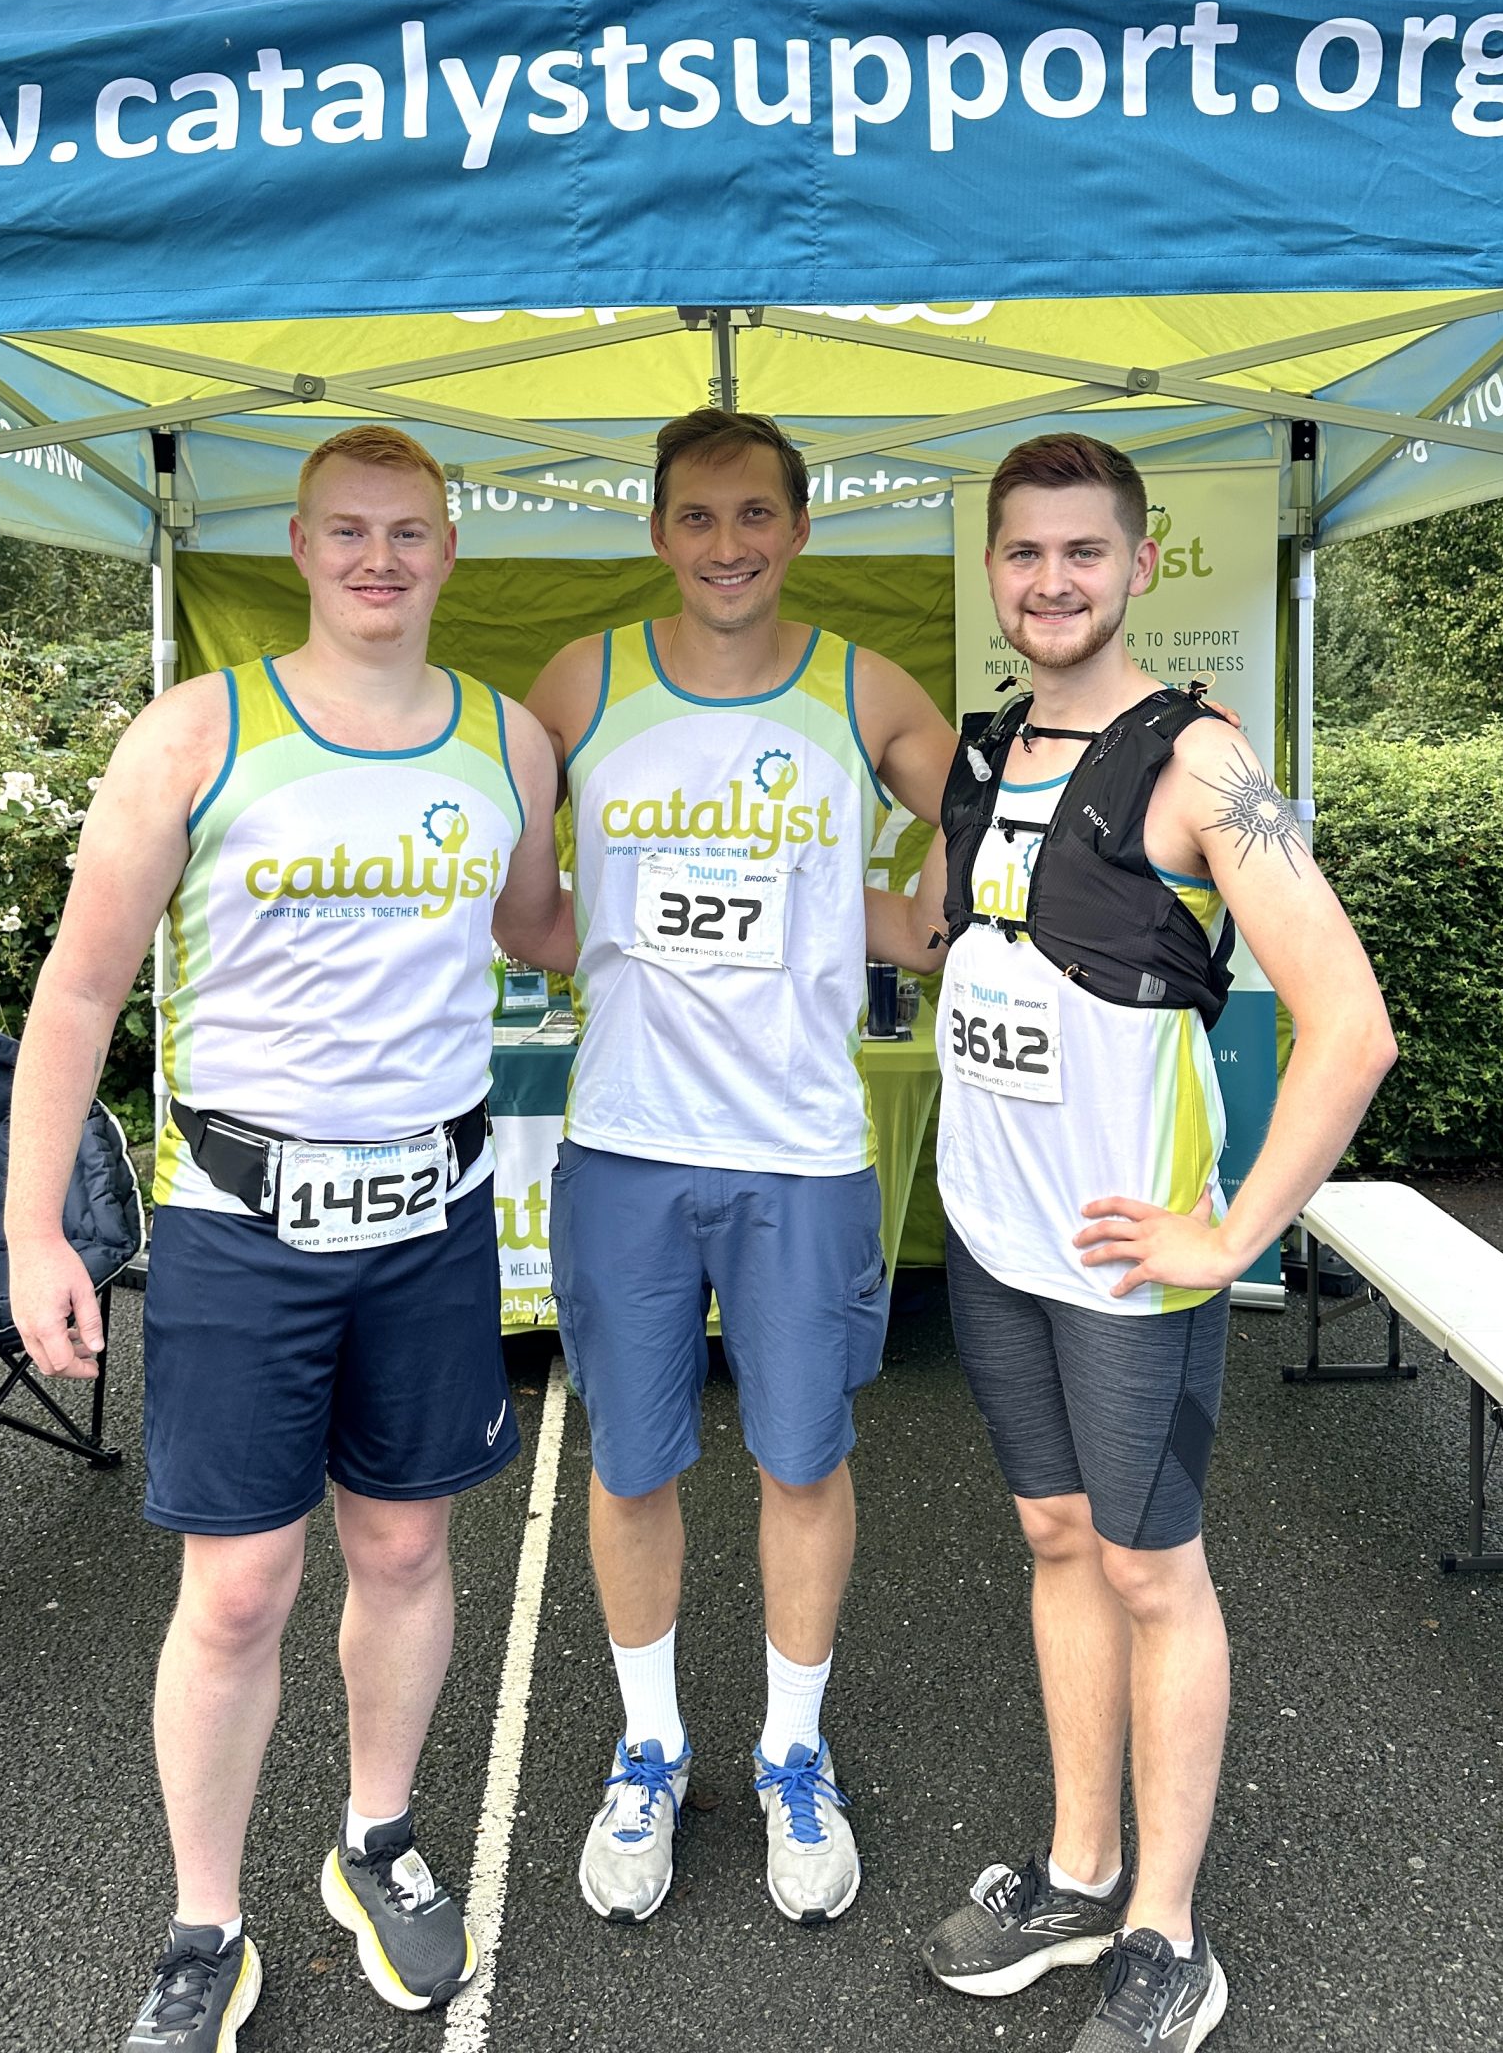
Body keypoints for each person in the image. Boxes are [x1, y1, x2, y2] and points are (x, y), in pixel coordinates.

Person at [5, 423, 564, 2051]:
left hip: (431, 1217)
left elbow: (536, 926)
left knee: (404, 1550)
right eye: (349, 530)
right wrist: (34, 1227)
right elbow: (79, 990)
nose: (381, 557)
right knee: (240, 1589)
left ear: (449, 550)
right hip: (242, 1227)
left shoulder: (510, 742)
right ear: (304, 547)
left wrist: (749, 918)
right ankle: (205, 1924)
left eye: (410, 530)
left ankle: (375, 1841)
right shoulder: (196, 733)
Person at [870, 432, 1396, 2053]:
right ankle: (1080, 1873)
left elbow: (1352, 1025)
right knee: (1055, 1538)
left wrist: (1232, 1233)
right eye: (1024, 553)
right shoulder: (983, 756)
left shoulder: (1203, 763)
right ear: (993, 570)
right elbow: (948, 937)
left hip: (1124, 1262)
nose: (1052, 581)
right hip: (996, 1240)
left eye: (1083, 551)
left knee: (1152, 1568)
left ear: (1141, 564)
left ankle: (1167, 1933)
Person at [520, 408, 956, 1928]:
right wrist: (598, 931)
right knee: (631, 1464)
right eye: (698, 518)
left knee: (803, 1461)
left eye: (756, 514)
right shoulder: (583, 682)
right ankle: (649, 1747)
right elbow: (515, 892)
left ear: (801, 527)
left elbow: (978, 822)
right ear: (657, 532)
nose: (728, 545)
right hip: (628, 1145)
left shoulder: (862, 686)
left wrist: (896, 917)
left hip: (801, 1151)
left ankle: (790, 1753)